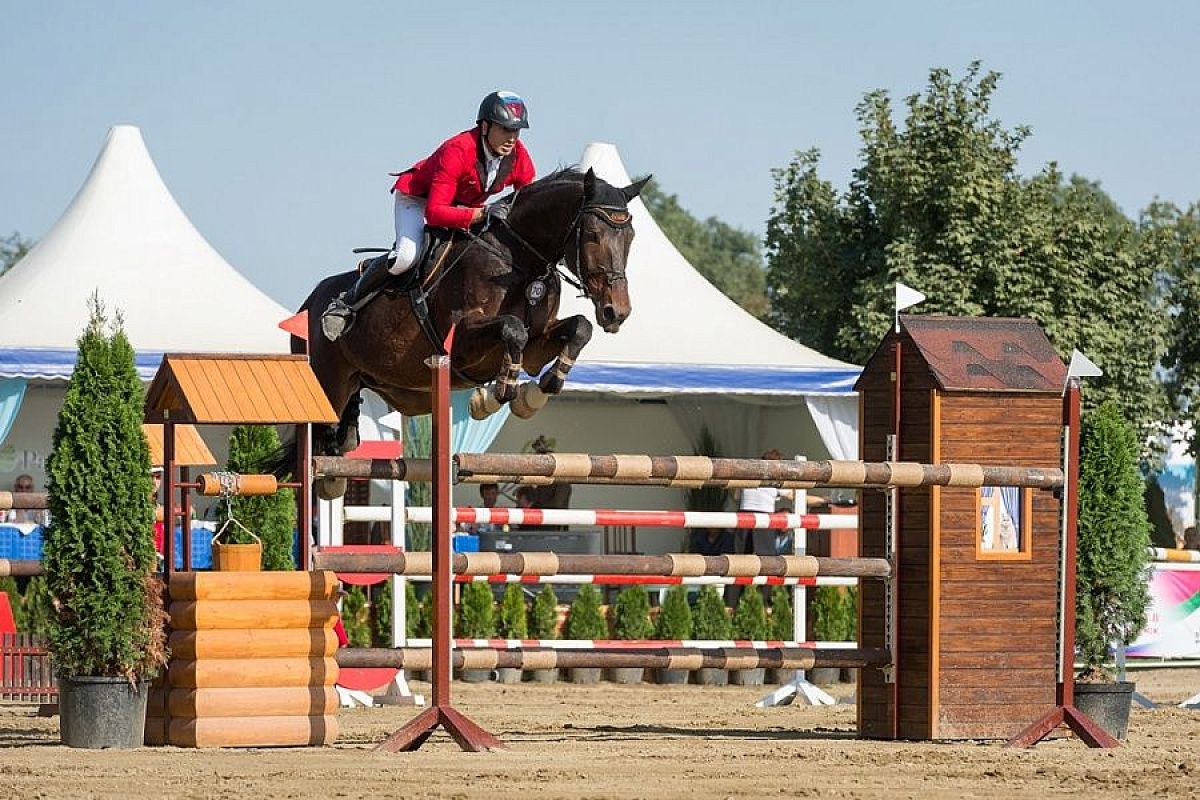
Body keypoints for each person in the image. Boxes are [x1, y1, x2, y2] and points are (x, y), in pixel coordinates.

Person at [322, 90, 537, 340]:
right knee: (407, 256)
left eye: (516, 131)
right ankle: (345, 305)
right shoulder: (457, 150)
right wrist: (483, 213)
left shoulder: (517, 155)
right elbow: (435, 212)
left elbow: (527, 199)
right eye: (505, 130)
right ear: (485, 126)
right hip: (419, 200)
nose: (512, 139)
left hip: (464, 207)